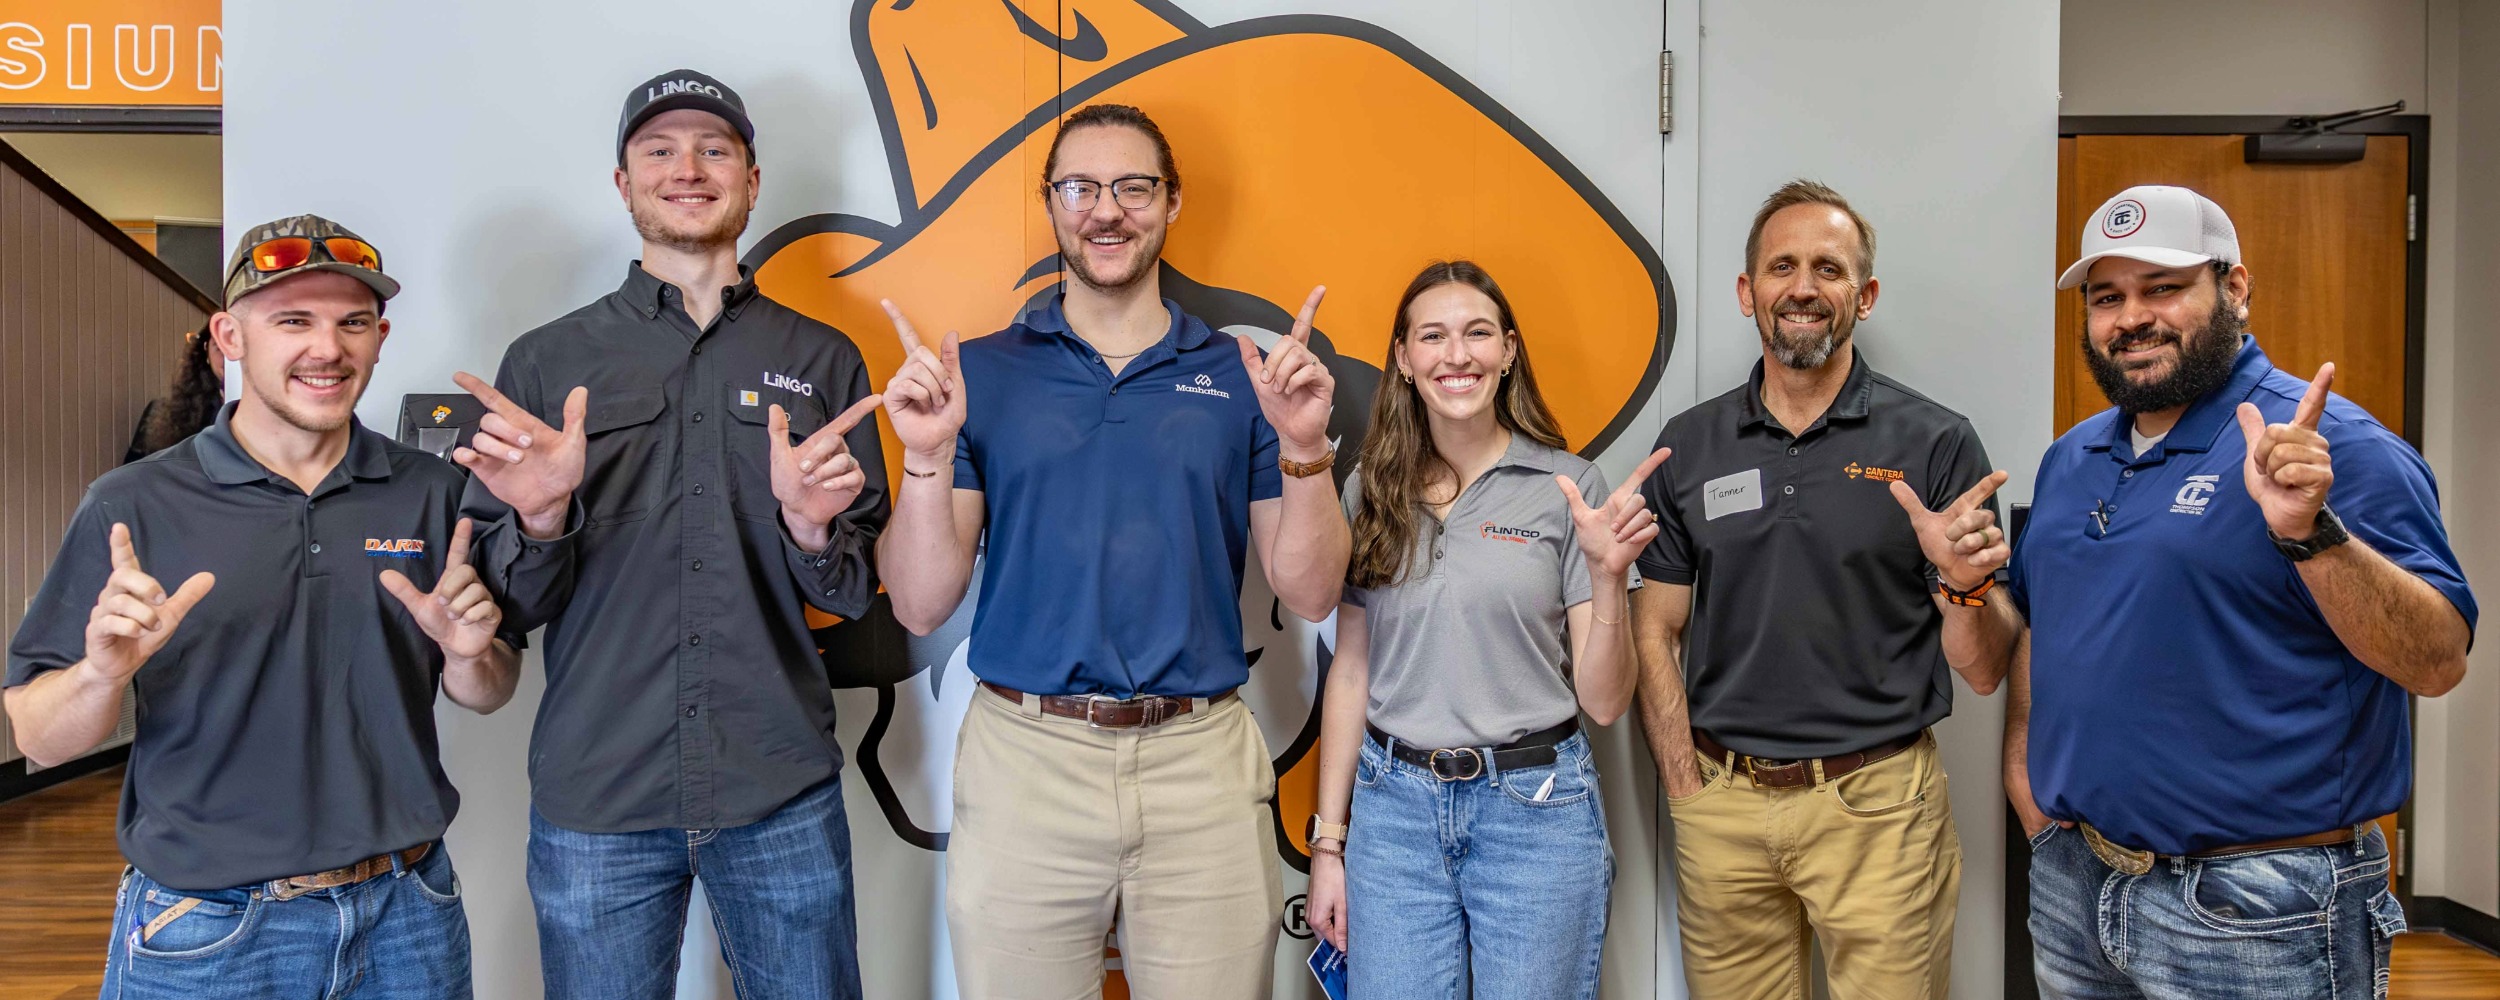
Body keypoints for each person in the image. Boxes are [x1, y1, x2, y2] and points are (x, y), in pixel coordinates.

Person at [873, 102, 1350, 999]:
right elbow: (919, 603)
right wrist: (928, 457)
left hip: (1199, 763)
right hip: (1025, 762)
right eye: (1080, 187)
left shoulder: (1241, 376)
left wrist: (1305, 447)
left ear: (1173, 203)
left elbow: (1314, 590)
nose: (1106, 210)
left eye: (1133, 186)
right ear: (1051, 203)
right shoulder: (981, 372)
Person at [4, 214, 549, 999]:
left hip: (408, 916)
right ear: (230, 335)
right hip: (205, 930)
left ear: (380, 336)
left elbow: (489, 690)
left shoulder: (434, 493)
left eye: (351, 322)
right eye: (293, 320)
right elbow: (39, 738)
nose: (327, 349)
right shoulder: (135, 503)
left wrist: (472, 654)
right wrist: (99, 675)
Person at [455, 69, 889, 999]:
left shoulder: (822, 359)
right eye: (659, 150)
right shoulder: (545, 361)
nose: (686, 169)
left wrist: (812, 534)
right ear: (623, 182)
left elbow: (852, 594)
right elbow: (510, 609)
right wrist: (537, 517)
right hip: (597, 798)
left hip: (778, 790)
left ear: (752, 178)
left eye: (713, 149)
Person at [2005, 184, 2476, 999]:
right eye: (2107, 297)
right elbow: (2049, 629)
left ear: (2235, 287)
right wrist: (2028, 787)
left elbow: (2435, 661)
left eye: (2163, 288)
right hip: (2078, 887)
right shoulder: (2070, 457)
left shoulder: (2334, 445)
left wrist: (2310, 532)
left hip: (2259, 907)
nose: (2131, 317)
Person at [1630, 180, 2013, 999]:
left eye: (1829, 269)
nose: (1803, 287)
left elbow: (1984, 671)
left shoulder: (1937, 442)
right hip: (1722, 810)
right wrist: (1683, 789)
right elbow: (1654, 627)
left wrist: (1963, 586)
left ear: (1864, 296)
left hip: (1877, 809)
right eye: (1783, 266)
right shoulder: (1689, 446)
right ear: (1748, 292)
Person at [1298, 260, 1662, 999]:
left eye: (1476, 334)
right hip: (1393, 813)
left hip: (1535, 811)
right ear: (1403, 357)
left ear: (1509, 350)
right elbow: (1352, 671)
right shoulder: (1370, 490)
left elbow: (1606, 702)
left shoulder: (1569, 487)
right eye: (1431, 336)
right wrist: (1329, 845)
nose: (1455, 355)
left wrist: (1605, 576)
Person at [123, 320, 226, 463]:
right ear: (206, 351)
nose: (229, 357)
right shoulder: (166, 413)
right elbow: (133, 473)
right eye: (219, 348)